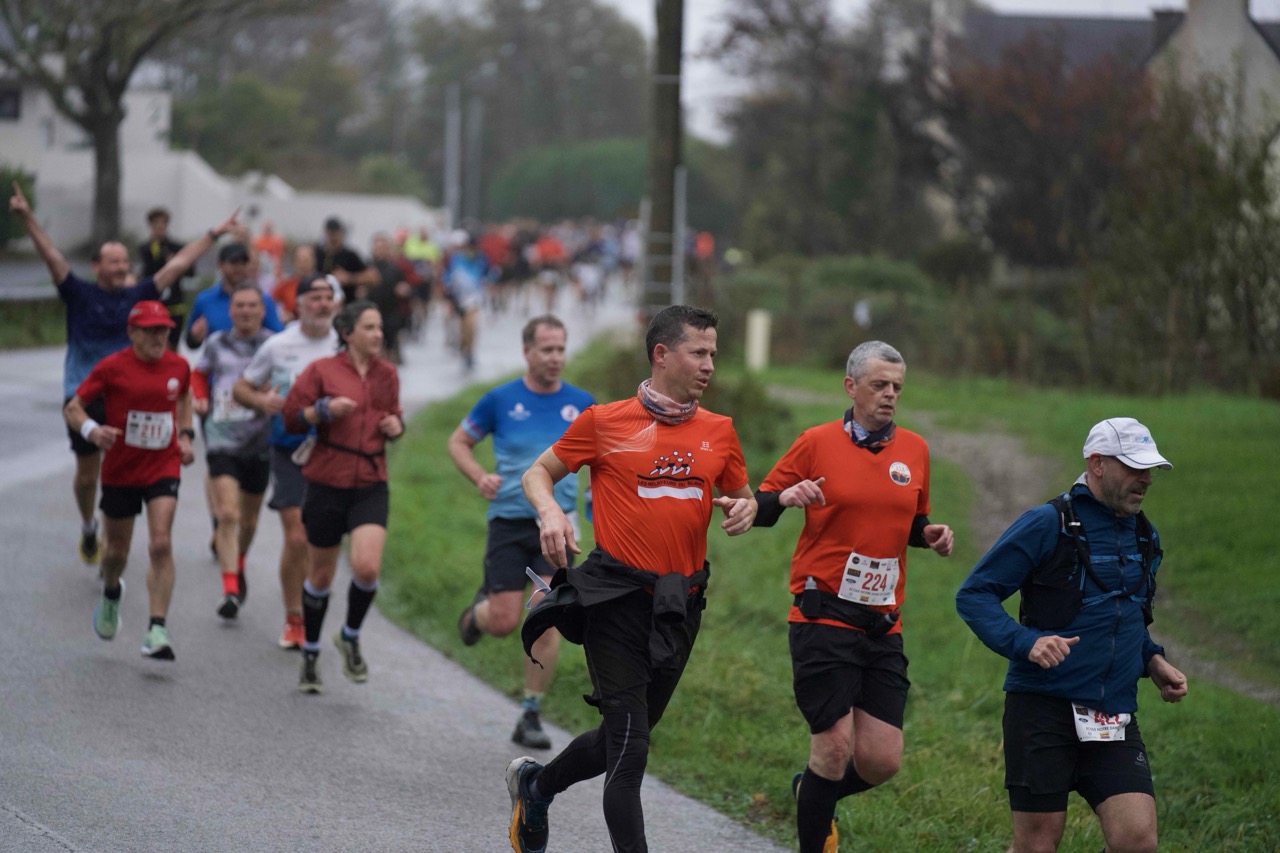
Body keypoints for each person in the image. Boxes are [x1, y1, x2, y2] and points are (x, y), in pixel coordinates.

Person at [509, 305, 757, 853]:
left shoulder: (719, 431)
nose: (710, 365)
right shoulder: (605, 421)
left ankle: (537, 786)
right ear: (661, 354)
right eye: (699, 352)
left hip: (679, 607)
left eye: (714, 354)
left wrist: (748, 509)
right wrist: (551, 513)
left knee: (618, 741)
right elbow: (537, 473)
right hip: (614, 599)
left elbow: (742, 498)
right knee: (631, 752)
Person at [751, 340, 954, 853]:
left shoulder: (915, 450)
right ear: (851, 387)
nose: (890, 395)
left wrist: (929, 534)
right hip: (823, 614)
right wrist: (787, 496)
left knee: (882, 760)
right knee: (834, 748)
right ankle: (815, 831)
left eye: (897, 387)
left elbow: (912, 520)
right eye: (879, 385)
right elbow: (759, 505)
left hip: (883, 622)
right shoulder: (815, 442)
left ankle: (812, 794)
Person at [956, 417, 1187, 853]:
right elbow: (974, 595)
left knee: (1137, 841)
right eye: (1134, 467)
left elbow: (1125, 616)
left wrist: (1153, 660)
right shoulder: (1047, 523)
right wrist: (1026, 642)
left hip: (1113, 714)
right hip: (1042, 711)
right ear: (1097, 463)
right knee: (1036, 845)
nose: (1146, 479)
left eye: (1150, 469)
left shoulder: (1143, 535)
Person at [8, 182, 234, 566]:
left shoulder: (139, 297)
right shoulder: (78, 293)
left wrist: (214, 233)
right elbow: (51, 255)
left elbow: (178, 265)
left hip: (128, 398)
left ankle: (115, 541)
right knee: (87, 475)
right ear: (97, 266)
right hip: (85, 394)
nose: (121, 267)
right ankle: (88, 525)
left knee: (125, 472)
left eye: (125, 262)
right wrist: (28, 216)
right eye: (113, 262)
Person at [449, 315, 595, 750]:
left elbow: (601, 464)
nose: (555, 357)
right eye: (546, 349)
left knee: (546, 615)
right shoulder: (500, 400)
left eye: (561, 349)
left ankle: (530, 712)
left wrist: (595, 506)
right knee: (503, 621)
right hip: (509, 523)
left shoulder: (582, 404)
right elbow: (459, 442)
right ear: (527, 352)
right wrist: (479, 476)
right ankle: (476, 616)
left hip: (558, 526)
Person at [282, 300, 404, 693]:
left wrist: (395, 425)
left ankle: (350, 635)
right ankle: (310, 653)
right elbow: (290, 417)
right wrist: (323, 409)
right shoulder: (322, 370)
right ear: (348, 333)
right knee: (320, 575)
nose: (378, 334)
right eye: (370, 327)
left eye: (380, 327)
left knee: (367, 569)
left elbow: (395, 416)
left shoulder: (387, 374)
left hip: (370, 482)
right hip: (327, 482)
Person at [63, 301, 195, 659]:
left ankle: (157, 629)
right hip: (121, 470)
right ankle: (111, 591)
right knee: (116, 552)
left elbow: (184, 396)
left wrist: (185, 436)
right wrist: (92, 431)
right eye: (150, 331)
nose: (158, 337)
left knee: (160, 543)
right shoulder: (112, 367)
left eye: (163, 330)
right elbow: (73, 408)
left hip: (163, 465)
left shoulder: (179, 366)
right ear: (132, 333)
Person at [233, 274, 339, 650]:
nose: (323, 303)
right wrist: (262, 401)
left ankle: (313, 605)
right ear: (299, 304)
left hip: (335, 452)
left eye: (328, 297)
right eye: (315, 297)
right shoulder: (278, 345)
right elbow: (241, 387)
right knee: (296, 535)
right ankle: (295, 619)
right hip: (289, 450)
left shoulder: (344, 344)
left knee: (321, 540)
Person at [192, 285, 274, 620]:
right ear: (230, 311)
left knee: (249, 521)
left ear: (262, 311)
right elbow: (199, 374)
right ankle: (229, 589)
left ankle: (238, 561)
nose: (245, 311)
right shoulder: (216, 343)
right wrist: (200, 397)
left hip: (259, 440)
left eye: (252, 305)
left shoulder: (274, 345)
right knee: (228, 513)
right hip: (221, 437)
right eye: (239, 305)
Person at [185, 242, 285, 350]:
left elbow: (278, 338)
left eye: (243, 263)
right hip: (217, 357)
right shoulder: (205, 300)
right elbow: (191, 342)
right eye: (233, 262)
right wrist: (195, 338)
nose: (238, 268)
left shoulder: (262, 299)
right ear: (220, 265)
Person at [136, 206, 197, 349]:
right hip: (153, 302)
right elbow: (145, 273)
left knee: (172, 344)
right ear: (150, 225)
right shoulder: (144, 249)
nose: (160, 227)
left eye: (163, 223)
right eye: (156, 223)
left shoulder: (177, 247)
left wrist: (177, 265)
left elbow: (191, 272)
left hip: (174, 304)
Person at [315, 216, 377, 303]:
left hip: (347, 304)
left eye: (335, 233)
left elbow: (373, 277)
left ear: (341, 233)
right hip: (321, 303)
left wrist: (349, 278)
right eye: (330, 233)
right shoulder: (318, 254)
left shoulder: (350, 255)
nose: (333, 237)